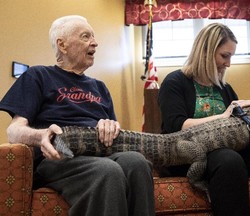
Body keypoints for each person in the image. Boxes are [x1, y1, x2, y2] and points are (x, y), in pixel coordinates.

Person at [0, 15, 155, 216]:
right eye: (85, 36)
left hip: (101, 151)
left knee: (137, 162)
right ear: (62, 45)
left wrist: (111, 126)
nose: (95, 42)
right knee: (107, 171)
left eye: (94, 36)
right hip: (59, 156)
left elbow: (115, 131)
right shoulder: (38, 75)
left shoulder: (99, 87)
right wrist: (41, 135)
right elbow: (13, 130)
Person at [158, 23, 250, 216]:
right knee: (229, 159)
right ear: (205, 52)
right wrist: (223, 115)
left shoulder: (224, 87)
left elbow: (236, 122)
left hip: (228, 150)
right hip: (192, 155)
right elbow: (177, 126)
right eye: (224, 56)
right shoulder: (175, 82)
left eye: (231, 56)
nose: (228, 63)